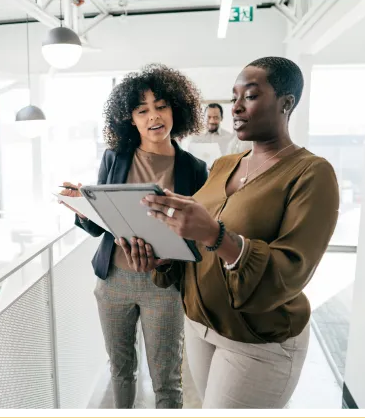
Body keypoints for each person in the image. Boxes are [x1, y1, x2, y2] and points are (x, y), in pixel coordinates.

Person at [123, 57, 340, 411]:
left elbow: (290, 272)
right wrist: (164, 255)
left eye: (250, 96)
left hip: (257, 342)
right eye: (234, 96)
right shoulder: (225, 165)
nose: (235, 107)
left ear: (287, 103)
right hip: (201, 327)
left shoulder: (311, 174)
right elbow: (194, 245)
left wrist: (215, 234)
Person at [60, 64, 207, 412]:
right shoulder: (114, 158)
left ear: (177, 110)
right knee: (121, 370)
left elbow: (201, 236)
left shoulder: (195, 169)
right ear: (131, 120)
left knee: (167, 381)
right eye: (142, 110)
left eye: (161, 106)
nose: (154, 116)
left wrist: (174, 255)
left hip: (164, 286)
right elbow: (100, 227)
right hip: (113, 282)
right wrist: (84, 209)